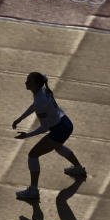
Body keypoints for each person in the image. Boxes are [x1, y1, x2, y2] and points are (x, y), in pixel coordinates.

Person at [12, 72, 86, 201]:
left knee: (33, 154)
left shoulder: (40, 101)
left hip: (58, 130)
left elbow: (44, 127)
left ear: (35, 84)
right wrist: (20, 118)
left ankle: (33, 191)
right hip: (66, 123)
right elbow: (34, 105)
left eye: (28, 81)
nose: (26, 82)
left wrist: (27, 135)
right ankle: (78, 169)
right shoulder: (42, 91)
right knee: (58, 147)